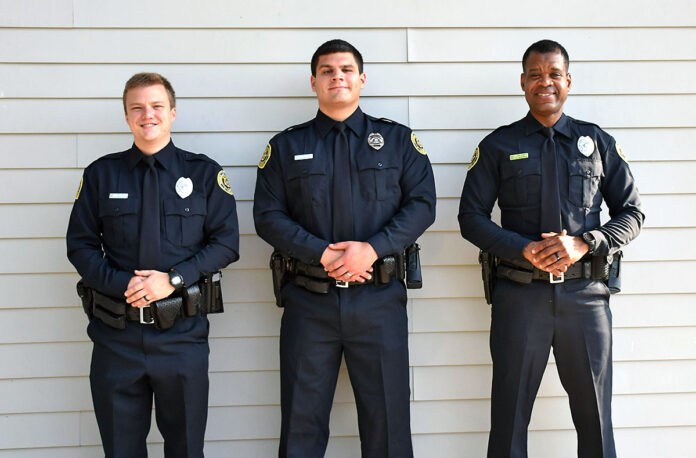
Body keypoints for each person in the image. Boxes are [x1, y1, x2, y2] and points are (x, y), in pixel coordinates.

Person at [458, 40, 644, 458]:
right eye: (536, 75)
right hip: (520, 297)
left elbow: (632, 214)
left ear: (568, 81)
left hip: (586, 299)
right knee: (509, 420)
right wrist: (523, 249)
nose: (546, 82)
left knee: (595, 418)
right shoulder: (498, 146)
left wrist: (585, 243)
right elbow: (470, 217)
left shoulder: (595, 142)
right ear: (523, 82)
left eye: (554, 74)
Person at [253, 39, 436, 457]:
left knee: (387, 426)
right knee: (301, 424)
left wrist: (371, 250)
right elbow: (267, 215)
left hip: (379, 301)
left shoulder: (396, 141)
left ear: (362, 79)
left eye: (347, 69)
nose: (338, 77)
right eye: (328, 70)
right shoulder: (285, 147)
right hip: (309, 303)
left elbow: (422, 205)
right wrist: (324, 254)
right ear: (313, 81)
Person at [66, 72, 239, 458]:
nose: (149, 115)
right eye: (138, 108)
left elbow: (226, 243)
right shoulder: (101, 174)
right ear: (127, 116)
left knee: (186, 449)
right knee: (121, 450)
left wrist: (172, 280)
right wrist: (124, 283)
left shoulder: (204, 173)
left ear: (173, 112)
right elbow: (80, 245)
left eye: (157, 106)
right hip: (116, 336)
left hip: (182, 336)